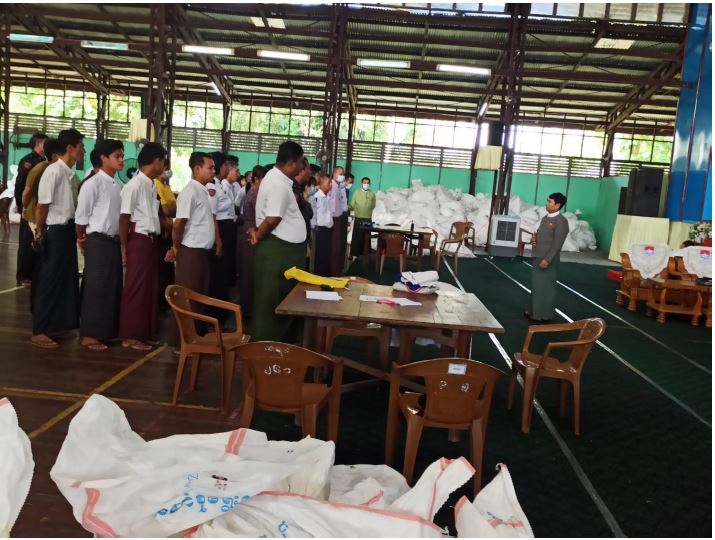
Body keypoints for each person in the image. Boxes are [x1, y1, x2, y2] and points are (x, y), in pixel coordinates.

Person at [249, 142, 307, 342]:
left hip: (284, 251)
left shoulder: (278, 180)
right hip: (278, 252)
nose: (302, 167)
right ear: (291, 163)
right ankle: (268, 348)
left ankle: (283, 347)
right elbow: (272, 219)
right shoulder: (278, 185)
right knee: (273, 302)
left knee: (285, 300)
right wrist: (258, 236)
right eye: (300, 163)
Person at [31, 129, 83, 348]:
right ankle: (39, 330)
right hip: (55, 231)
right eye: (81, 146)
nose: (83, 150)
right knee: (49, 280)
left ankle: (56, 325)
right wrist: (40, 231)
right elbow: (42, 205)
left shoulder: (70, 174)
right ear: (70, 148)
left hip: (67, 230)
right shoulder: (53, 171)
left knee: (66, 279)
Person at [166, 151, 222, 350]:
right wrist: (176, 246)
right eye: (210, 167)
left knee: (198, 297)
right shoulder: (190, 191)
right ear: (197, 169)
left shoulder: (202, 190)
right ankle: (181, 343)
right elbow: (179, 223)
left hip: (201, 253)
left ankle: (195, 339)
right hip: (190, 251)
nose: (214, 171)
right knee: (187, 298)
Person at [74, 139, 124, 351]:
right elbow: (81, 218)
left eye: (122, 156)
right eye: (117, 156)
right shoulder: (92, 184)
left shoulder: (118, 185)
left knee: (111, 286)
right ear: (103, 158)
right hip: (97, 239)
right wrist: (82, 240)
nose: (121, 160)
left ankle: (106, 331)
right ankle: (90, 334)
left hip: (113, 241)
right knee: (96, 287)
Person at [118, 142, 167, 350]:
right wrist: (124, 247)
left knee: (149, 288)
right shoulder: (134, 185)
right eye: (163, 162)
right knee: (136, 288)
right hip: (138, 240)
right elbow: (124, 218)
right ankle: (131, 336)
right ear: (155, 162)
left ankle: (145, 332)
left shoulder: (152, 185)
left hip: (151, 240)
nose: (164, 166)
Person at [525, 192, 569, 323]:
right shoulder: (545, 218)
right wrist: (534, 239)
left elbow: (557, 244)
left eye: (550, 201)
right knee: (537, 286)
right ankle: (533, 311)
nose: (547, 203)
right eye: (547, 200)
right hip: (538, 256)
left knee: (547, 288)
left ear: (557, 205)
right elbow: (541, 235)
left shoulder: (561, 221)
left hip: (547, 260)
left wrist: (547, 260)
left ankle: (543, 315)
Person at [15, 132, 48, 287]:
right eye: (45, 143)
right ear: (38, 143)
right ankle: (22, 275)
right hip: (28, 207)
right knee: (26, 242)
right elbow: (20, 184)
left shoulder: (46, 161)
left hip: (40, 207)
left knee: (37, 241)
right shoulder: (28, 161)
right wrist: (21, 205)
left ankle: (35, 273)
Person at [236, 165, 265, 319]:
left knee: (249, 273)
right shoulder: (255, 193)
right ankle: (247, 312)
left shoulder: (253, 190)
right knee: (248, 274)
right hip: (250, 234)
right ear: (257, 179)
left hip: (248, 233)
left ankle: (247, 309)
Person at [22, 138, 61, 235]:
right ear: (54, 154)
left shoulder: (57, 169)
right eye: (62, 153)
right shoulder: (40, 169)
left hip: (47, 216)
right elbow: (27, 192)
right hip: (36, 216)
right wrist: (25, 208)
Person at [155, 168, 177, 309]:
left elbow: (174, 209)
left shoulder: (166, 186)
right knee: (161, 268)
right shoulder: (155, 184)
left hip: (170, 230)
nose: (167, 171)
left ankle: (167, 300)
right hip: (163, 232)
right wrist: (170, 209)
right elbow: (166, 211)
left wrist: (170, 209)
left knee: (168, 269)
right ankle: (161, 302)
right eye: (164, 168)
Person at [349, 176, 377, 259]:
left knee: (366, 237)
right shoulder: (356, 192)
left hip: (368, 218)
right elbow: (352, 204)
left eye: (368, 183)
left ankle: (365, 255)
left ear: (370, 184)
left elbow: (373, 205)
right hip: (358, 217)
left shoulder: (372, 194)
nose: (366, 184)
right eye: (364, 183)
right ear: (361, 183)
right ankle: (353, 254)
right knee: (357, 237)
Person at [314, 175, 334, 277]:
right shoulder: (317, 197)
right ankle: (319, 277)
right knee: (320, 256)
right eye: (328, 183)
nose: (330, 185)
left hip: (328, 230)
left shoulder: (326, 197)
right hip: (320, 230)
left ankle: (325, 276)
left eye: (331, 183)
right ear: (321, 184)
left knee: (326, 255)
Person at [328, 166, 344, 275]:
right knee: (333, 247)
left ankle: (335, 270)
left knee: (336, 247)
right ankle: (332, 272)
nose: (342, 176)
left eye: (343, 174)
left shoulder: (338, 186)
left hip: (337, 218)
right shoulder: (331, 186)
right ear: (334, 174)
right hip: (332, 219)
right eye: (340, 174)